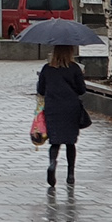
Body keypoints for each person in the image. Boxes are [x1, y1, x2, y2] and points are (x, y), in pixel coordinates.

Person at [35, 45, 88, 188]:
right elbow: (82, 90)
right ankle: (70, 174)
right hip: (71, 108)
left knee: (55, 141)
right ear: (70, 52)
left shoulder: (47, 68)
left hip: (53, 108)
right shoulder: (74, 68)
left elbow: (41, 90)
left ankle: (52, 163)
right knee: (70, 142)